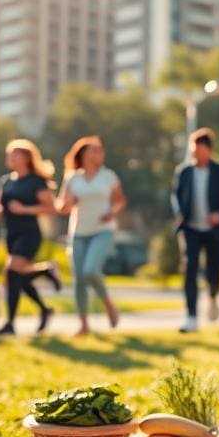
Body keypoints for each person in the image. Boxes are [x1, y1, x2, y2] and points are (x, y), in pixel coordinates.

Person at [171, 128, 219, 333]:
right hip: (190, 229)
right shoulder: (184, 172)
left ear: (208, 150)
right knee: (190, 270)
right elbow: (175, 195)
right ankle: (191, 317)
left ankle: (213, 295)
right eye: (193, 149)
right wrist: (179, 212)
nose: (195, 153)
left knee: (214, 271)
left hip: (214, 230)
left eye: (199, 149)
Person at [0, 139, 61, 336]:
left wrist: (25, 209)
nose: (10, 158)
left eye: (15, 154)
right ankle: (45, 304)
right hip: (10, 234)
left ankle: (10, 324)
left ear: (27, 158)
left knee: (12, 273)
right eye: (9, 154)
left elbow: (51, 208)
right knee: (16, 278)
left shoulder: (36, 181)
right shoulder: (6, 181)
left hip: (29, 233)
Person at [56, 136, 125, 336]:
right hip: (78, 233)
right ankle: (84, 325)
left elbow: (120, 201)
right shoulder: (72, 178)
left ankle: (108, 304)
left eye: (101, 151)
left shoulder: (109, 176)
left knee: (90, 270)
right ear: (84, 154)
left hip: (103, 231)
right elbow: (62, 206)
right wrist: (70, 201)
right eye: (95, 151)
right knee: (79, 279)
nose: (99, 154)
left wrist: (112, 212)